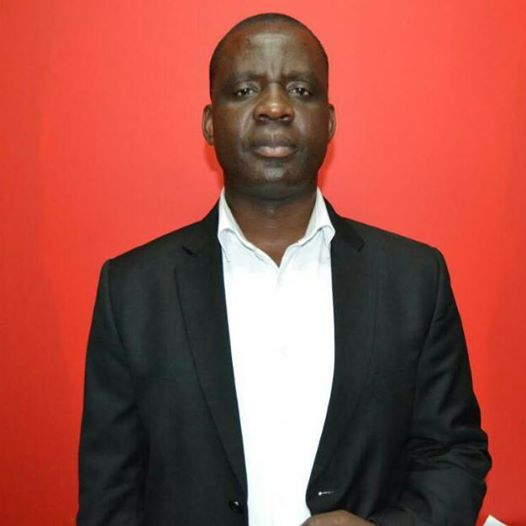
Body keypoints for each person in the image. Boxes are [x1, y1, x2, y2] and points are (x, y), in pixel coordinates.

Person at [77, 13, 490, 526]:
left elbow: (453, 455)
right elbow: (109, 497)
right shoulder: (132, 292)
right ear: (210, 122)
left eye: (300, 89)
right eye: (245, 90)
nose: (275, 107)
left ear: (329, 121)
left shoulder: (414, 280)